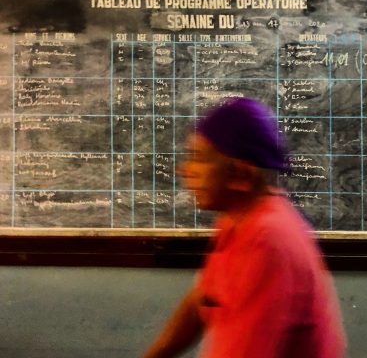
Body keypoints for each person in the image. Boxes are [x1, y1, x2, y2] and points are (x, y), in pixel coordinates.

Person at [142, 97, 346, 358]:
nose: (185, 169)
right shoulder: (238, 219)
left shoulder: (267, 240)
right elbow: (203, 299)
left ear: (240, 175)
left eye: (199, 158)